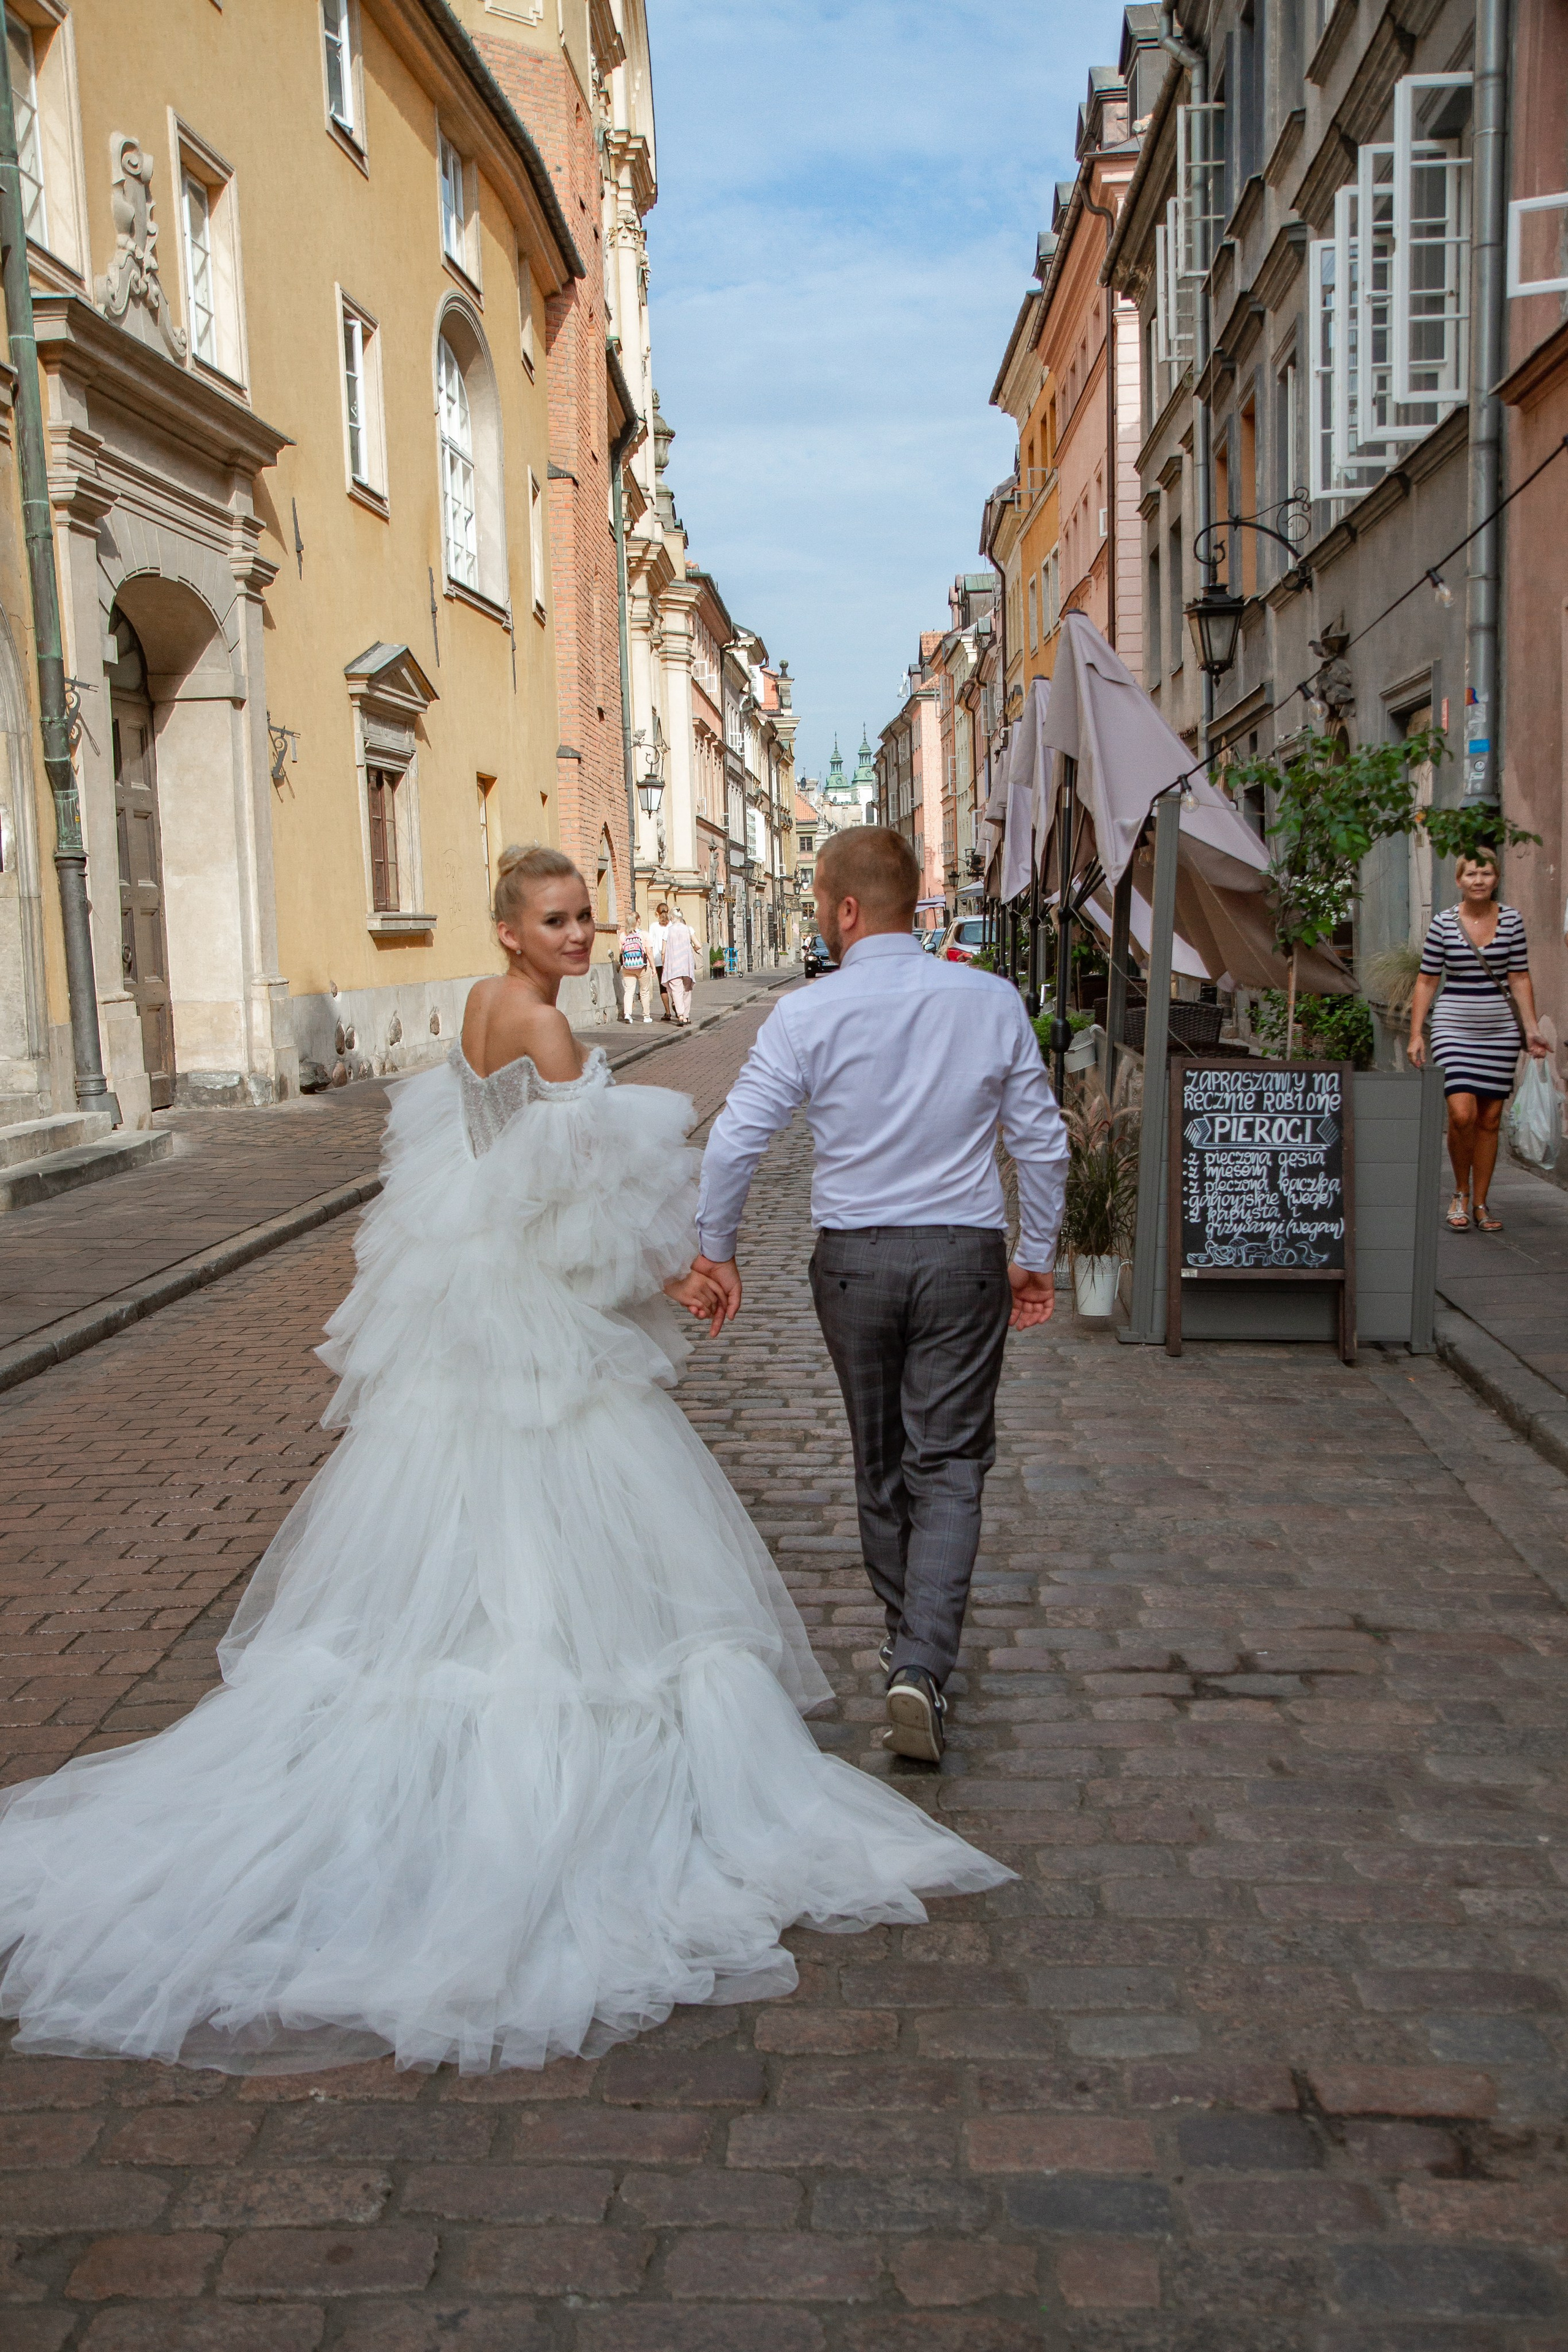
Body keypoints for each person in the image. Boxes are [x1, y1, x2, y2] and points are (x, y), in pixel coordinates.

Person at [0, 842, 1008, 2075]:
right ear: (509, 931)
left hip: (468, 1313)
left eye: (587, 916)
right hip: (535, 1326)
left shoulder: (479, 1009)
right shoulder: (545, 1035)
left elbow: (483, 1174)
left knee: (454, 1528)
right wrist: (681, 1272)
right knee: (563, 1535)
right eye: (556, 920)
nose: (580, 936)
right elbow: (587, 1211)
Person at [693, 826, 1068, 1765]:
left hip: (854, 1263)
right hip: (962, 1259)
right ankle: (921, 1666)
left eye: (821, 904)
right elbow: (1042, 1141)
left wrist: (717, 1251)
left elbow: (738, 1139)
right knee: (950, 1463)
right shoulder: (989, 1000)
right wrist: (1035, 1253)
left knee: (881, 1460)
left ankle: (909, 1646)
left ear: (847, 910)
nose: (820, 918)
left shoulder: (807, 1015)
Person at [1408, 846, 1547, 1234]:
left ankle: (1482, 1202)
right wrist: (1417, 1033)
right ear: (1459, 881)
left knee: (1489, 1118)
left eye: (1486, 873)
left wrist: (1531, 1027)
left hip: (1500, 1030)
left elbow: (1519, 976)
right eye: (1471, 874)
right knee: (1461, 1113)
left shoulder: (1513, 921)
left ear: (1496, 878)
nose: (1479, 880)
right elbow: (1427, 980)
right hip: (1453, 1025)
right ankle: (1459, 1192)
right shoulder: (1443, 923)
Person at [662, 908, 697, 1025]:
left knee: (676, 991)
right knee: (687, 990)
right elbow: (698, 945)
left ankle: (680, 1015)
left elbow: (663, 951)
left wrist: (664, 965)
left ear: (672, 918)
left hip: (673, 965)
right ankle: (687, 1017)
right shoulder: (689, 929)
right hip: (686, 965)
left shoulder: (667, 931)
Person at [617, 918, 654, 1024]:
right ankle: (646, 1016)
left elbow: (621, 951)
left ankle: (628, 1014)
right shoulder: (644, 935)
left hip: (628, 967)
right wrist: (653, 967)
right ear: (637, 922)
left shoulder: (623, 935)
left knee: (629, 991)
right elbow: (649, 952)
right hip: (642, 967)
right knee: (644, 992)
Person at [646, 902, 670, 1020]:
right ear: (668, 912)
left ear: (657, 914)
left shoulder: (654, 926)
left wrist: (651, 963)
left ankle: (668, 1012)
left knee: (663, 987)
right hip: (672, 960)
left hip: (658, 960)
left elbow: (650, 944)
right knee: (674, 984)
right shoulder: (672, 926)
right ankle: (677, 1004)